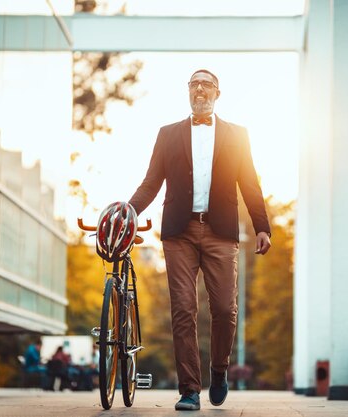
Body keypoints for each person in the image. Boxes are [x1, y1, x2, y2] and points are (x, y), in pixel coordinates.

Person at [128, 69, 271, 410]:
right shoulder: (168, 134)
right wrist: (129, 210)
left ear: (218, 93)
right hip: (180, 232)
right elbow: (151, 182)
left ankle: (218, 370)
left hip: (221, 231)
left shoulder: (238, 135)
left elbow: (249, 182)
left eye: (207, 84)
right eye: (194, 84)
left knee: (224, 308)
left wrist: (261, 226)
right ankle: (189, 389)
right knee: (183, 310)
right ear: (188, 92)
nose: (200, 90)